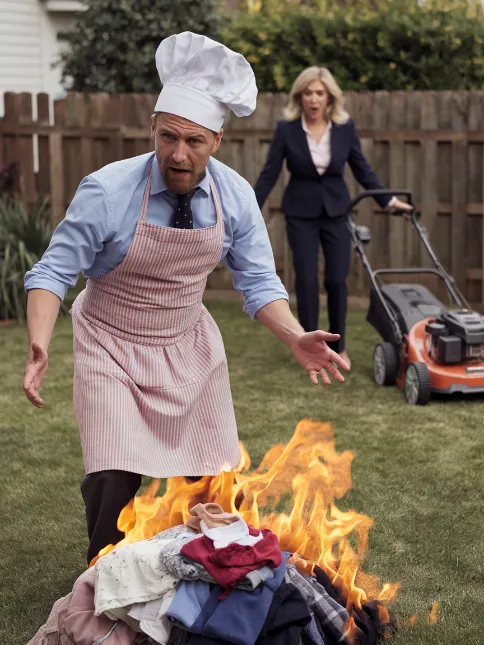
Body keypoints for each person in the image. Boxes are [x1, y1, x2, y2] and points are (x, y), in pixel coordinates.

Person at [22, 35, 350, 564]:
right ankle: (106, 581)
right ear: (153, 128)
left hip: (187, 344)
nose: (179, 154)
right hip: (111, 344)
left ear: (217, 140)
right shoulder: (108, 192)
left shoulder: (235, 196)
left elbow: (260, 283)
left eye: (194, 141)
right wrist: (40, 342)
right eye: (168, 137)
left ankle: (205, 582)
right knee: (113, 473)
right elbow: (53, 271)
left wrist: (293, 335)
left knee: (213, 484)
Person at [254, 67, 412, 367]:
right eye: (308, 93)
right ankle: (312, 346)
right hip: (300, 213)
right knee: (306, 281)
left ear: (329, 98)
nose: (313, 99)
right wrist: (248, 208)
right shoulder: (286, 129)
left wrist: (389, 201)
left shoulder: (344, 127)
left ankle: (339, 348)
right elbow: (269, 174)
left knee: (338, 280)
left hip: (337, 212)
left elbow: (362, 169)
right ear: (300, 98)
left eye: (319, 93)